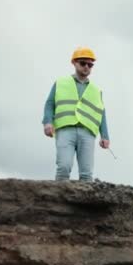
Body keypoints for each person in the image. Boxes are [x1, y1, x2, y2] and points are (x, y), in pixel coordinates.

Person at [42, 47, 110, 181]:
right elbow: (50, 103)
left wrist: (105, 136)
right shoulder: (61, 83)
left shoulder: (96, 90)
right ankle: (59, 200)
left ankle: (85, 202)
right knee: (64, 167)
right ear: (74, 63)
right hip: (65, 130)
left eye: (90, 65)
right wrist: (47, 122)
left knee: (86, 173)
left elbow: (101, 113)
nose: (86, 67)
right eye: (83, 63)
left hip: (87, 133)